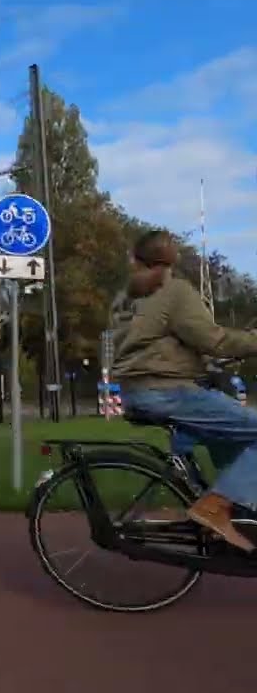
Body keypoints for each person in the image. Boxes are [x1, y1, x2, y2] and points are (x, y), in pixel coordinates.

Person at [111, 230, 257, 552]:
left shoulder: (126, 297)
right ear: (172, 261)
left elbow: (158, 343)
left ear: (135, 259)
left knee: (231, 438)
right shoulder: (173, 291)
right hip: (168, 392)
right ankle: (215, 507)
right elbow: (213, 340)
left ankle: (238, 514)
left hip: (138, 391)